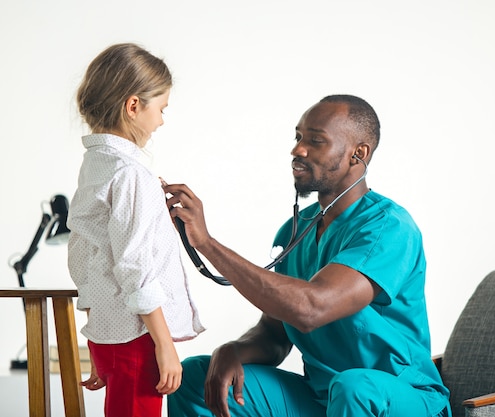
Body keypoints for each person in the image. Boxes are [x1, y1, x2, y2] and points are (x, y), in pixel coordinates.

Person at [164, 94, 450, 417]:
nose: (298, 150)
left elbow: (311, 308)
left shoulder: (389, 229)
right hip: (323, 398)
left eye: (316, 141)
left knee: (354, 388)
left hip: (400, 400)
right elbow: (275, 334)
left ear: (359, 154)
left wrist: (207, 244)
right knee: (196, 378)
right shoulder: (293, 232)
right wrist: (235, 349)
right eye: (299, 137)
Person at [67, 43, 205, 417]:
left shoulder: (96, 165)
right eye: (160, 109)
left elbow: (84, 259)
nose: (161, 120)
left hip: (110, 332)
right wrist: (164, 344)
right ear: (133, 106)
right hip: (138, 336)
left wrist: (97, 336)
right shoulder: (131, 174)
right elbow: (135, 267)